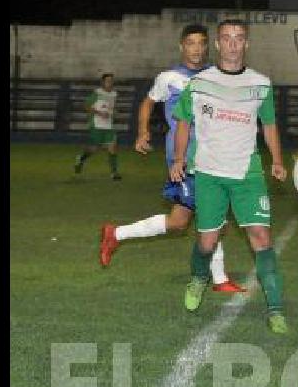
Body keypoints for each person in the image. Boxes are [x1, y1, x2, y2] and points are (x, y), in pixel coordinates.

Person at [98, 25, 245, 293]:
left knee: (180, 221)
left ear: (208, 46)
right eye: (191, 43)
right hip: (184, 159)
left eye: (201, 44)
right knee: (213, 217)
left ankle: (115, 234)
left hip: (214, 157)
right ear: (182, 46)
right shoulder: (169, 77)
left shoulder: (217, 76)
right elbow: (147, 103)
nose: (196, 49)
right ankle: (220, 280)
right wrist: (142, 132)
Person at [169, 19, 289, 333]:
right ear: (218, 44)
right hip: (209, 172)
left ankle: (275, 310)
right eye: (227, 38)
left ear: (246, 44)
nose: (233, 44)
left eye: (239, 38)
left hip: (247, 173)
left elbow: (269, 125)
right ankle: (198, 278)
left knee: (262, 238)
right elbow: (183, 122)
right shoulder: (199, 83)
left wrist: (276, 159)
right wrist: (179, 158)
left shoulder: (261, 84)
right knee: (206, 242)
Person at [74, 73, 121, 180]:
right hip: (97, 125)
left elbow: (111, 108)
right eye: (108, 81)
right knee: (93, 149)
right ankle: (81, 159)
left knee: (112, 148)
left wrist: (114, 112)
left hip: (109, 126)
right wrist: (100, 113)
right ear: (103, 82)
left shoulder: (114, 94)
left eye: (111, 80)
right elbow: (86, 106)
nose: (110, 83)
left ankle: (114, 173)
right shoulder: (97, 93)